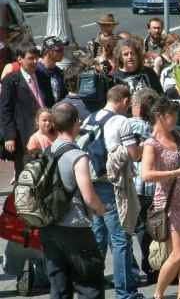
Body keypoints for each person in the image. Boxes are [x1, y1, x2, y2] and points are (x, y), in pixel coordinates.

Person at [40, 102, 106, 299]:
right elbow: (88, 196)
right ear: (76, 123)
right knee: (89, 286)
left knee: (59, 287)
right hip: (75, 228)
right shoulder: (78, 155)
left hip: (49, 227)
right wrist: (102, 209)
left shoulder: (46, 152)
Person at [83, 85, 144, 299]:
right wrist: (142, 147)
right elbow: (133, 154)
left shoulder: (90, 118)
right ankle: (125, 293)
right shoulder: (121, 121)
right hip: (111, 185)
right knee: (120, 239)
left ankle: (92, 289)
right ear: (125, 101)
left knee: (97, 238)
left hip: (89, 183)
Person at [141, 97, 180, 299]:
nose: (175, 118)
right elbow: (146, 175)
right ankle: (158, 294)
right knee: (177, 254)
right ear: (159, 116)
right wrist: (176, 173)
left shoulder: (175, 136)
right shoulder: (152, 143)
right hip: (170, 201)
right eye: (172, 115)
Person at [129, 88, 159, 284]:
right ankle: (150, 265)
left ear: (137, 106)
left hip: (134, 183)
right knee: (150, 227)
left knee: (133, 227)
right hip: (152, 184)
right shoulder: (157, 128)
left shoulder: (127, 124)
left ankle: (135, 268)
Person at [0, 43, 43, 178]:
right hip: (24, 133)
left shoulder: (41, 75)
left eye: (36, 58)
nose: (35, 62)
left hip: (45, 130)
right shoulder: (11, 80)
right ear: (20, 59)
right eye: (30, 58)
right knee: (26, 172)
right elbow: (5, 110)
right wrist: (9, 136)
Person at [36, 36, 67, 107]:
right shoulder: (37, 72)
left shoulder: (59, 72)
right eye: (59, 50)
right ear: (47, 52)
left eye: (63, 49)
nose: (62, 53)